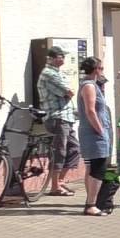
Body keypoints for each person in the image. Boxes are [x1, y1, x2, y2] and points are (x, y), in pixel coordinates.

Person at [37, 46, 80, 197]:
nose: (63, 59)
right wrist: (68, 93)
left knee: (74, 149)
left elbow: (69, 92)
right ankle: (55, 186)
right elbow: (69, 92)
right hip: (57, 117)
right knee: (59, 151)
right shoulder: (49, 74)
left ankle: (60, 181)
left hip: (67, 116)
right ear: (52, 58)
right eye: (61, 56)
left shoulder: (56, 72)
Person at [77, 56, 112, 216]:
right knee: (99, 168)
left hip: (92, 132)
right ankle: (91, 204)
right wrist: (100, 130)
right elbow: (90, 110)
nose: (102, 71)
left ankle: (91, 201)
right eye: (101, 68)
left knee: (93, 168)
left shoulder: (91, 84)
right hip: (94, 134)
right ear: (96, 69)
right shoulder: (89, 86)